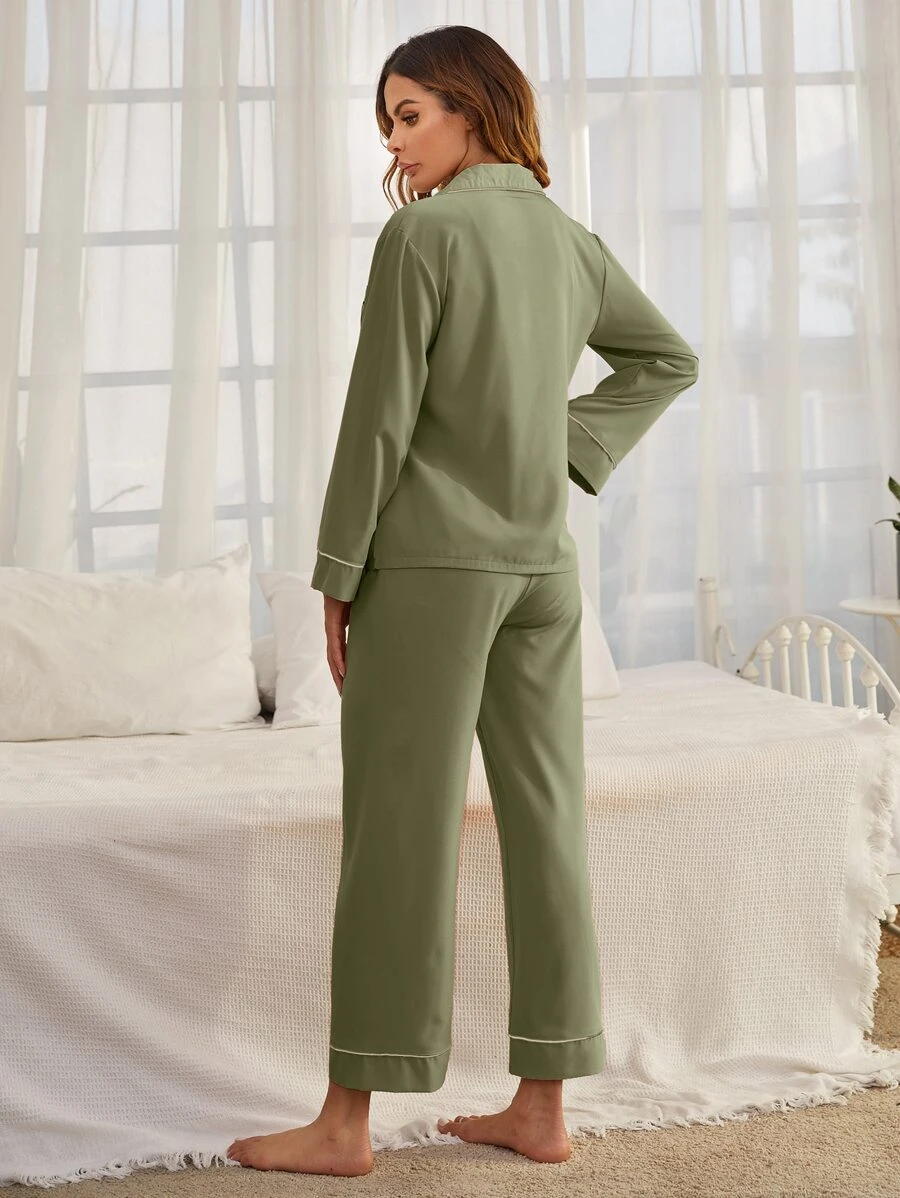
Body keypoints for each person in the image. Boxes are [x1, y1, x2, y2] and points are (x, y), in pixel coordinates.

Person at [228, 23, 698, 1179]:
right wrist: (564, 449)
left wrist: (337, 573)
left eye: (408, 115)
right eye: (388, 122)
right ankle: (542, 1105)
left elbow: (377, 417)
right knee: (548, 821)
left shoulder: (424, 235)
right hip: (542, 568)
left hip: (431, 573)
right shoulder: (569, 240)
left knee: (399, 830)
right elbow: (667, 359)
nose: (395, 143)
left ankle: (345, 1124)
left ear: (470, 107)